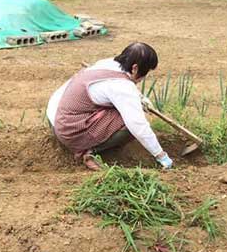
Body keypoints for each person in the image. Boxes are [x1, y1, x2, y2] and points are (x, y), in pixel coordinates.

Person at [46, 42, 173, 171]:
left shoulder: (107, 64)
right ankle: (90, 151)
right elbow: (138, 125)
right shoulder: (121, 86)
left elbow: (113, 90)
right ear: (135, 68)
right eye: (145, 73)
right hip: (69, 130)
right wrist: (161, 156)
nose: (143, 78)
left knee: (124, 109)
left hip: (55, 118)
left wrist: (140, 97)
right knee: (129, 125)